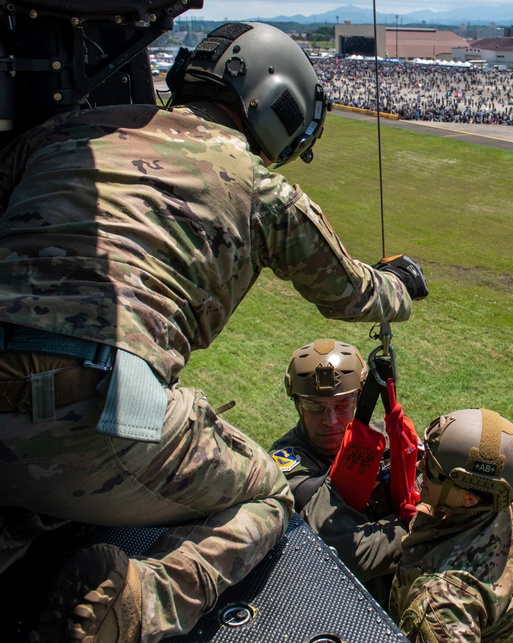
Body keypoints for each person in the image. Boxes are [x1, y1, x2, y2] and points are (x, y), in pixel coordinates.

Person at [0, 21, 427, 643]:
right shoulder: (261, 188)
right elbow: (352, 292)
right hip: (93, 409)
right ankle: (141, 604)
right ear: (274, 99)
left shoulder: (64, 134)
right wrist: (401, 287)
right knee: (269, 493)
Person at [269, 338, 416, 607]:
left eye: (342, 405)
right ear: (297, 404)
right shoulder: (288, 462)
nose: (330, 421)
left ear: (360, 399)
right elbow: (349, 551)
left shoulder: (381, 438)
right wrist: (422, 530)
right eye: (315, 406)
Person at [390, 409, 513, 642]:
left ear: (468, 499)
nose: (421, 467)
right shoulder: (501, 498)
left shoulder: (442, 603)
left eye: (432, 470)